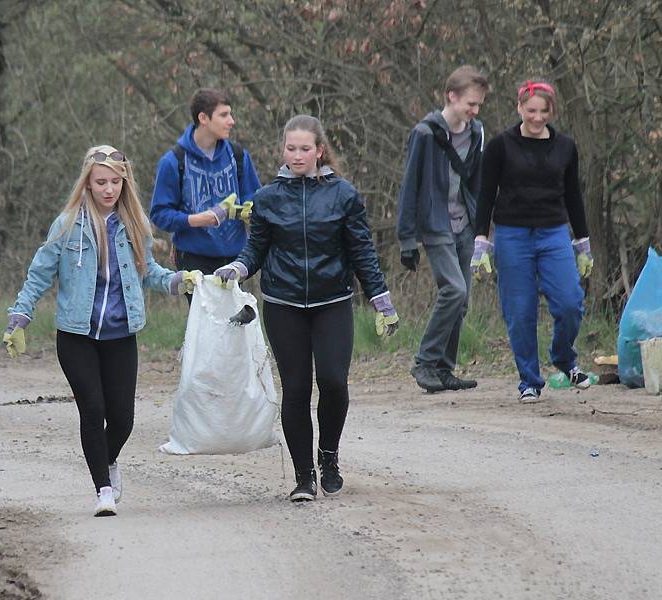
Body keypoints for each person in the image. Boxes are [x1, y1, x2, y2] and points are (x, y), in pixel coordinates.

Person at [3, 145, 199, 516]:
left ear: (124, 183)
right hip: (76, 337)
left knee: (123, 418)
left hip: (121, 335)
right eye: (101, 182)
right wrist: (19, 317)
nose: (109, 189)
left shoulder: (135, 225)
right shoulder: (66, 225)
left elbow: (149, 273)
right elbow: (38, 275)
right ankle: (103, 490)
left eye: (115, 182)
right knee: (93, 410)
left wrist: (178, 281)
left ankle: (106, 461)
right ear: (87, 184)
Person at [214, 115, 399, 502]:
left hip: (332, 301)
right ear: (283, 150)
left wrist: (381, 299)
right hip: (284, 304)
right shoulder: (267, 198)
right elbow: (256, 250)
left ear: (319, 151)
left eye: (305, 149)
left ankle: (328, 457)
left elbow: (362, 251)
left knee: (333, 381)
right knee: (296, 389)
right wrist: (237, 268)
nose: (297, 155)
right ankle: (303, 477)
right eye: (290, 148)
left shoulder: (343, 195)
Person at [472, 80, 594, 403]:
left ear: (551, 111)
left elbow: (573, 195)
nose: (538, 118)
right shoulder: (500, 146)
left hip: (554, 232)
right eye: (531, 111)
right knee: (520, 310)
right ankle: (529, 379)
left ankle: (563, 357)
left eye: (544, 111)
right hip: (512, 234)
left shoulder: (565, 147)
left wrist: (582, 241)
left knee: (570, 302)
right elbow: (486, 194)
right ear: (519, 108)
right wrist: (481, 240)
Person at [396, 66, 489, 393]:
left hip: (464, 223)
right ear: (452, 96)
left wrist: (482, 230)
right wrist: (407, 238)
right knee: (454, 290)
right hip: (435, 224)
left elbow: (478, 182)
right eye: (470, 104)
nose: (474, 111)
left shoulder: (476, 132)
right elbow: (410, 185)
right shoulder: (425, 133)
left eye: (478, 106)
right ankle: (424, 361)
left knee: (461, 301)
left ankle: (444, 369)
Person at [150, 88, 261, 301]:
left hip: (235, 258)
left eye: (231, 114)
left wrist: (245, 211)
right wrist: (195, 220)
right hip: (194, 261)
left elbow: (255, 197)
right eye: (224, 115)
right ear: (203, 118)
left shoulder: (238, 156)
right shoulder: (173, 161)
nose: (231, 121)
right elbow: (159, 214)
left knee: (234, 326)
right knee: (206, 329)